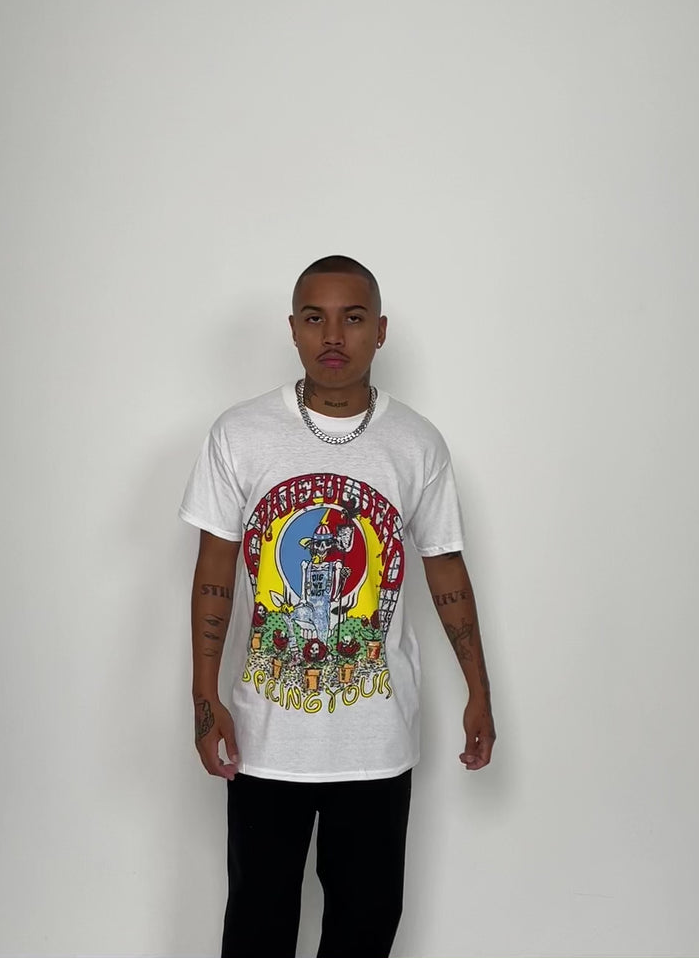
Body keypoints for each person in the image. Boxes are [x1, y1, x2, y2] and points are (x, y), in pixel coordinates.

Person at [179, 255, 495, 958]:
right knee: (256, 927)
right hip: (265, 739)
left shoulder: (416, 442)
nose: (332, 335)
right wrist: (204, 697)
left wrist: (480, 691)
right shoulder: (240, 433)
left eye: (352, 318)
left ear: (380, 330)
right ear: (292, 329)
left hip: (376, 739)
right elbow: (214, 571)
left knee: (364, 928)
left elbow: (446, 568)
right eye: (314, 317)